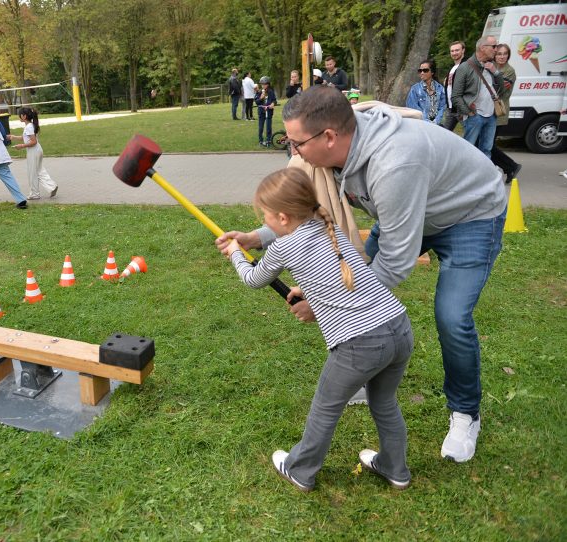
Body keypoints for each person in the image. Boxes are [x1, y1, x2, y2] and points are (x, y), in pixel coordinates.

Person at [217, 86, 507, 463]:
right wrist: (257, 236)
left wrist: (324, 303)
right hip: (404, 210)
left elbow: (395, 261)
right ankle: (365, 369)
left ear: (329, 137)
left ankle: (466, 413)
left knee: (452, 316)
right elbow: (307, 215)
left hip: (470, 215)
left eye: (296, 142)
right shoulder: (335, 153)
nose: (292, 151)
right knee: (355, 277)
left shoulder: (394, 164)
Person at [218, 167, 413, 491]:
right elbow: (329, 271)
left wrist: (237, 253)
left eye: (265, 216)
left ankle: (300, 470)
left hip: (360, 343)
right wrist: (308, 290)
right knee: (385, 403)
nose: (263, 222)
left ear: (282, 217)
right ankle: (395, 468)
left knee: (325, 408)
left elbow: (253, 279)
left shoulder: (282, 247)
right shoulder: (326, 224)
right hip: (398, 328)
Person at [451, 36, 504, 158]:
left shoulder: (491, 66)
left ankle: (483, 176)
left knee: (486, 150)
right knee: (468, 150)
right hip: (475, 116)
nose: (496, 50)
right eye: (494, 46)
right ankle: (465, 175)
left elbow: (502, 88)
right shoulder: (465, 67)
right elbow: (455, 96)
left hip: (491, 115)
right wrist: (468, 112)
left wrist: (495, 72)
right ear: (482, 48)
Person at [10, 106, 58, 200]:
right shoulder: (30, 126)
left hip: (34, 151)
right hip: (36, 150)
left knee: (33, 173)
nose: (18, 117)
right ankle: (51, 186)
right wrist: (13, 137)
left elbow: (33, 141)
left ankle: (35, 194)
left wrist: (21, 146)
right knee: (39, 170)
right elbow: (26, 138)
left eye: (19, 115)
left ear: (24, 116)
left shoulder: (29, 127)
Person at [491, 43, 522, 183]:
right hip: (487, 112)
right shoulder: (491, 66)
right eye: (499, 54)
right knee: (485, 144)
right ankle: (508, 167)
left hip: (498, 113)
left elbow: (500, 89)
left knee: (487, 145)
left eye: (505, 54)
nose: (502, 56)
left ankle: (511, 166)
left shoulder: (509, 71)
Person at [405, 59, 446, 124]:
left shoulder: (440, 89)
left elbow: (442, 108)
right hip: (421, 124)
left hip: (437, 126)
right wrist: (427, 122)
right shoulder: (414, 89)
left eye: (425, 70)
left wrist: (436, 122)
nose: (422, 73)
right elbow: (413, 108)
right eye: (420, 70)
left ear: (432, 72)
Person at [441, 41, 466, 131]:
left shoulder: (466, 66)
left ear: (463, 50)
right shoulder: (453, 67)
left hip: (462, 108)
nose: (454, 53)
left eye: (457, 50)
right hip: (451, 108)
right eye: (452, 51)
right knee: (444, 134)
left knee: (471, 135)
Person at [255, 76, 277, 147]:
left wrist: (273, 103)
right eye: (262, 84)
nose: (263, 86)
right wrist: (261, 97)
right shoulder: (259, 92)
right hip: (261, 112)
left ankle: (268, 140)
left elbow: (274, 100)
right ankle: (260, 140)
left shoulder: (271, 92)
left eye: (265, 84)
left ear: (268, 84)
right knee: (261, 127)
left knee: (268, 127)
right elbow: (257, 102)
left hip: (269, 112)